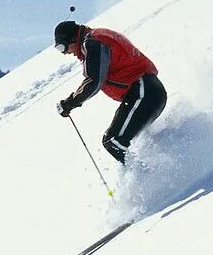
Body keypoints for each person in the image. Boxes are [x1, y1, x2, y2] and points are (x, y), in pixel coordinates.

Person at [53, 20, 166, 164]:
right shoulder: (97, 37)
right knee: (115, 141)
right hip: (144, 95)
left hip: (144, 92)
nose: (65, 53)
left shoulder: (93, 41)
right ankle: (156, 171)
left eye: (62, 47)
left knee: (113, 141)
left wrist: (70, 103)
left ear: (72, 38)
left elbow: (94, 80)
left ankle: (148, 180)